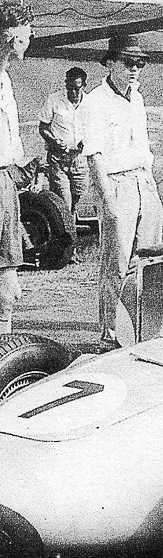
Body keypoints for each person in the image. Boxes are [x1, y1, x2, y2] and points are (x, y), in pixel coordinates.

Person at [82, 35, 163, 353]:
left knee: (149, 262)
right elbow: (95, 156)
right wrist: (109, 203)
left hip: (145, 183)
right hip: (117, 185)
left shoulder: (138, 99)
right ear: (111, 62)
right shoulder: (95, 101)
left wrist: (153, 187)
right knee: (116, 265)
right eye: (129, 62)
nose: (135, 69)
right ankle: (110, 333)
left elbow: (142, 148)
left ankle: (142, 330)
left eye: (140, 63)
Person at [0, 0, 33, 334]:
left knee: (9, 278)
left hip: (5, 181)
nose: (30, 38)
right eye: (24, 34)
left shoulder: (5, 79)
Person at [38, 67, 89, 231]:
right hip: (58, 159)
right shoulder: (54, 100)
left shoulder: (90, 104)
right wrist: (53, 141)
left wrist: (87, 141)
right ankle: (68, 248)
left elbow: (97, 129)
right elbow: (43, 128)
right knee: (64, 202)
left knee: (74, 202)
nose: (73, 92)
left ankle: (68, 234)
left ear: (84, 85)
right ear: (66, 85)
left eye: (77, 88)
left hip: (79, 161)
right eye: (70, 88)